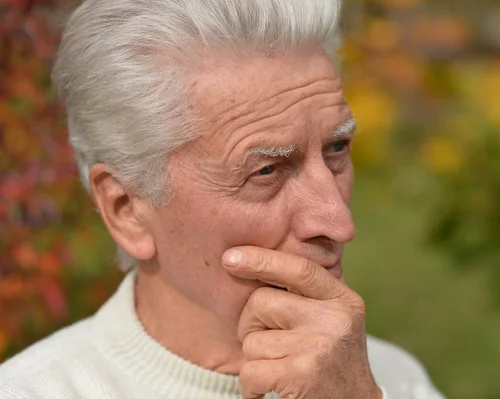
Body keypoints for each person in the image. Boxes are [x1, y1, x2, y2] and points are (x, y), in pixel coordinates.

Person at [0, 1, 445, 398]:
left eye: (336, 150)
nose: (337, 221)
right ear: (127, 209)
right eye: (266, 171)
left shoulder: (388, 377)